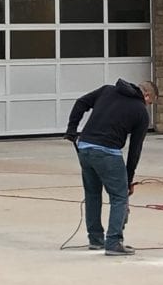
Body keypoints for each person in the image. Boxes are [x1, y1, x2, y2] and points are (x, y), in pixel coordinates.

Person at [65, 78, 155, 254]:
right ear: (146, 95)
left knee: (92, 194)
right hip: (108, 152)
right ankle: (113, 242)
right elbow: (135, 150)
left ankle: (95, 239)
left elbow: (80, 102)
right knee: (119, 197)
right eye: (150, 102)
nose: (148, 106)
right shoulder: (141, 112)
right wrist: (128, 180)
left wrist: (71, 129)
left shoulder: (107, 90)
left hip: (84, 147)